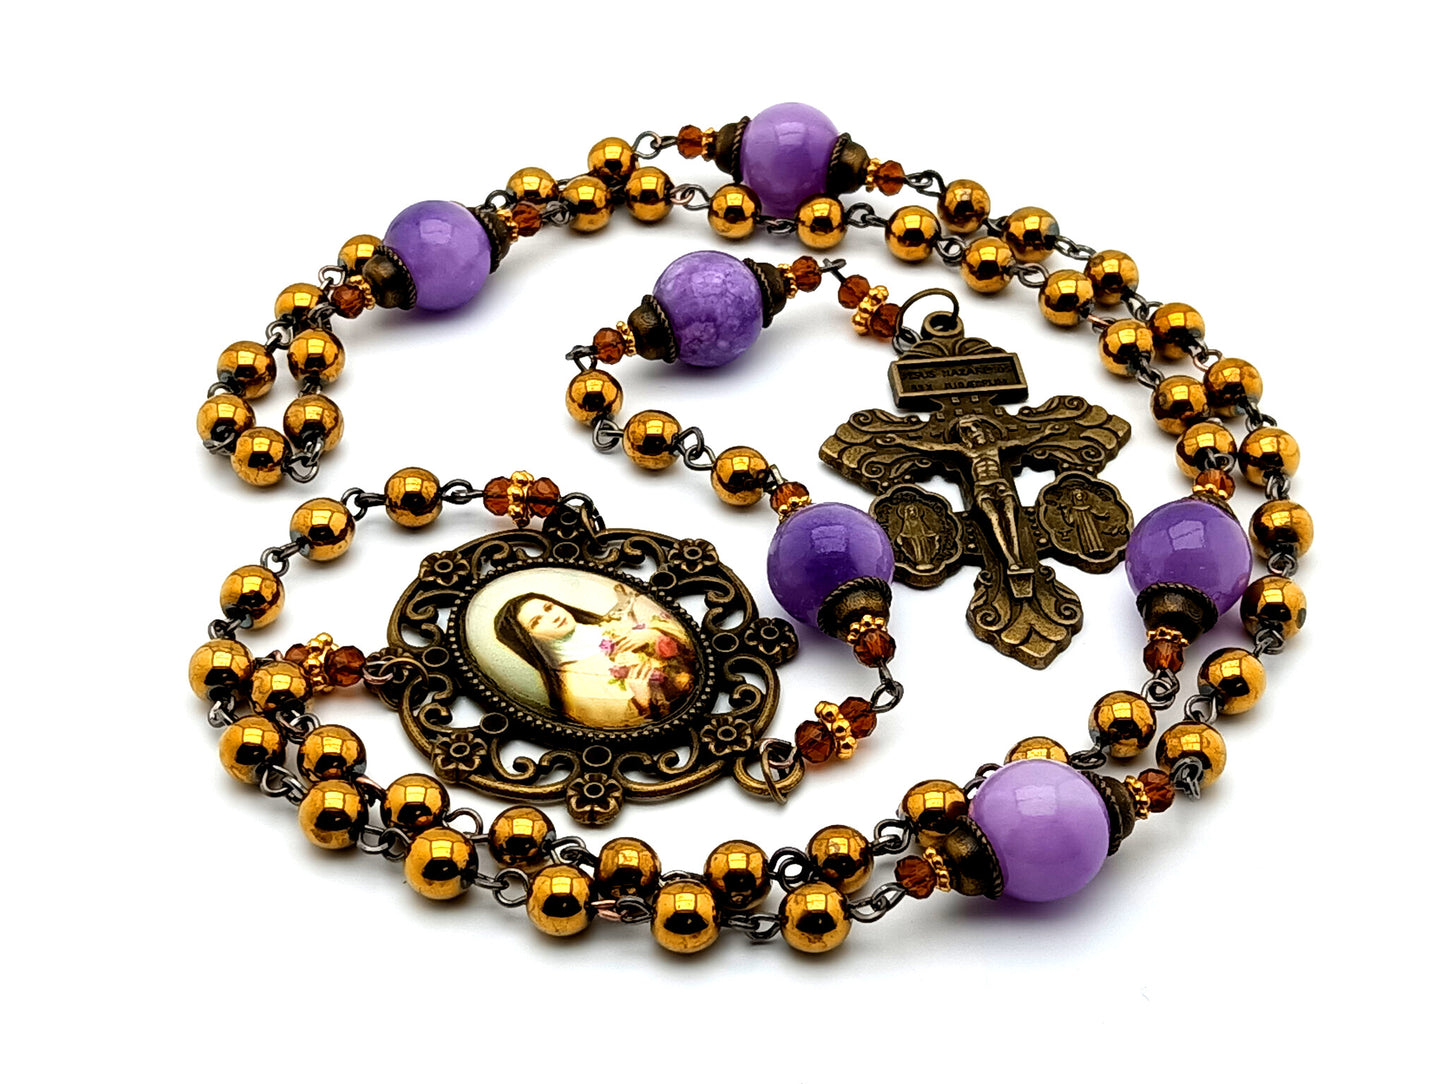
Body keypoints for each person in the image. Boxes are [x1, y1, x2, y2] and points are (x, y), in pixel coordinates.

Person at [492, 589, 694, 728]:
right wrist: (640, 700)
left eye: (549, 607)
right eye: (537, 622)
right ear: (530, 639)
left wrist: (654, 634)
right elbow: (617, 729)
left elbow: (688, 643)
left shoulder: (616, 626)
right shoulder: (575, 685)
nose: (553, 617)